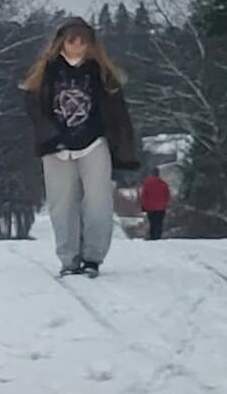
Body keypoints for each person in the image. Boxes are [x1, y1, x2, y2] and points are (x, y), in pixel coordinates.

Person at [20, 17, 140, 277]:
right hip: (56, 148)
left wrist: (124, 149)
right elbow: (35, 109)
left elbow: (118, 115)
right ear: (62, 42)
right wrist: (51, 137)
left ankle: (93, 258)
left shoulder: (102, 74)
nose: (77, 47)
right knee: (61, 204)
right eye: (72, 41)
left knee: (99, 202)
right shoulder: (46, 73)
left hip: (94, 142)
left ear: (90, 45)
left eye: (82, 42)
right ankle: (69, 259)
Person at [140, 166, 171, 240]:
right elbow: (167, 195)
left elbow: (144, 195)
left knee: (152, 223)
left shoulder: (147, 183)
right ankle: (158, 237)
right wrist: (165, 204)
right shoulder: (163, 183)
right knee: (159, 223)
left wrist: (143, 206)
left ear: (151, 173)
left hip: (150, 207)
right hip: (161, 208)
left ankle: (152, 237)